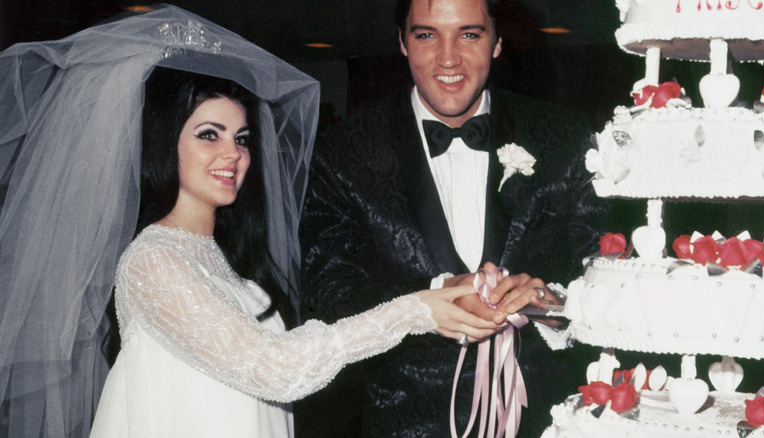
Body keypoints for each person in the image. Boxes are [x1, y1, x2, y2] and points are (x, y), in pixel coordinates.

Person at [0, 6, 499, 437]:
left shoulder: (224, 254)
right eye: (208, 135)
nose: (232, 155)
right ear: (164, 144)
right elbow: (277, 371)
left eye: (240, 138)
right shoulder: (151, 261)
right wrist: (413, 311)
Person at [296, 0, 609, 436]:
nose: (448, 59)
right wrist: (429, 299)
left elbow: (606, 269)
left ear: (498, 42)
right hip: (404, 422)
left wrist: (553, 303)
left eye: (469, 34)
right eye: (426, 35)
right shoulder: (342, 150)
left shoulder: (565, 136)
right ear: (402, 43)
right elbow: (327, 291)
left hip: (544, 420)